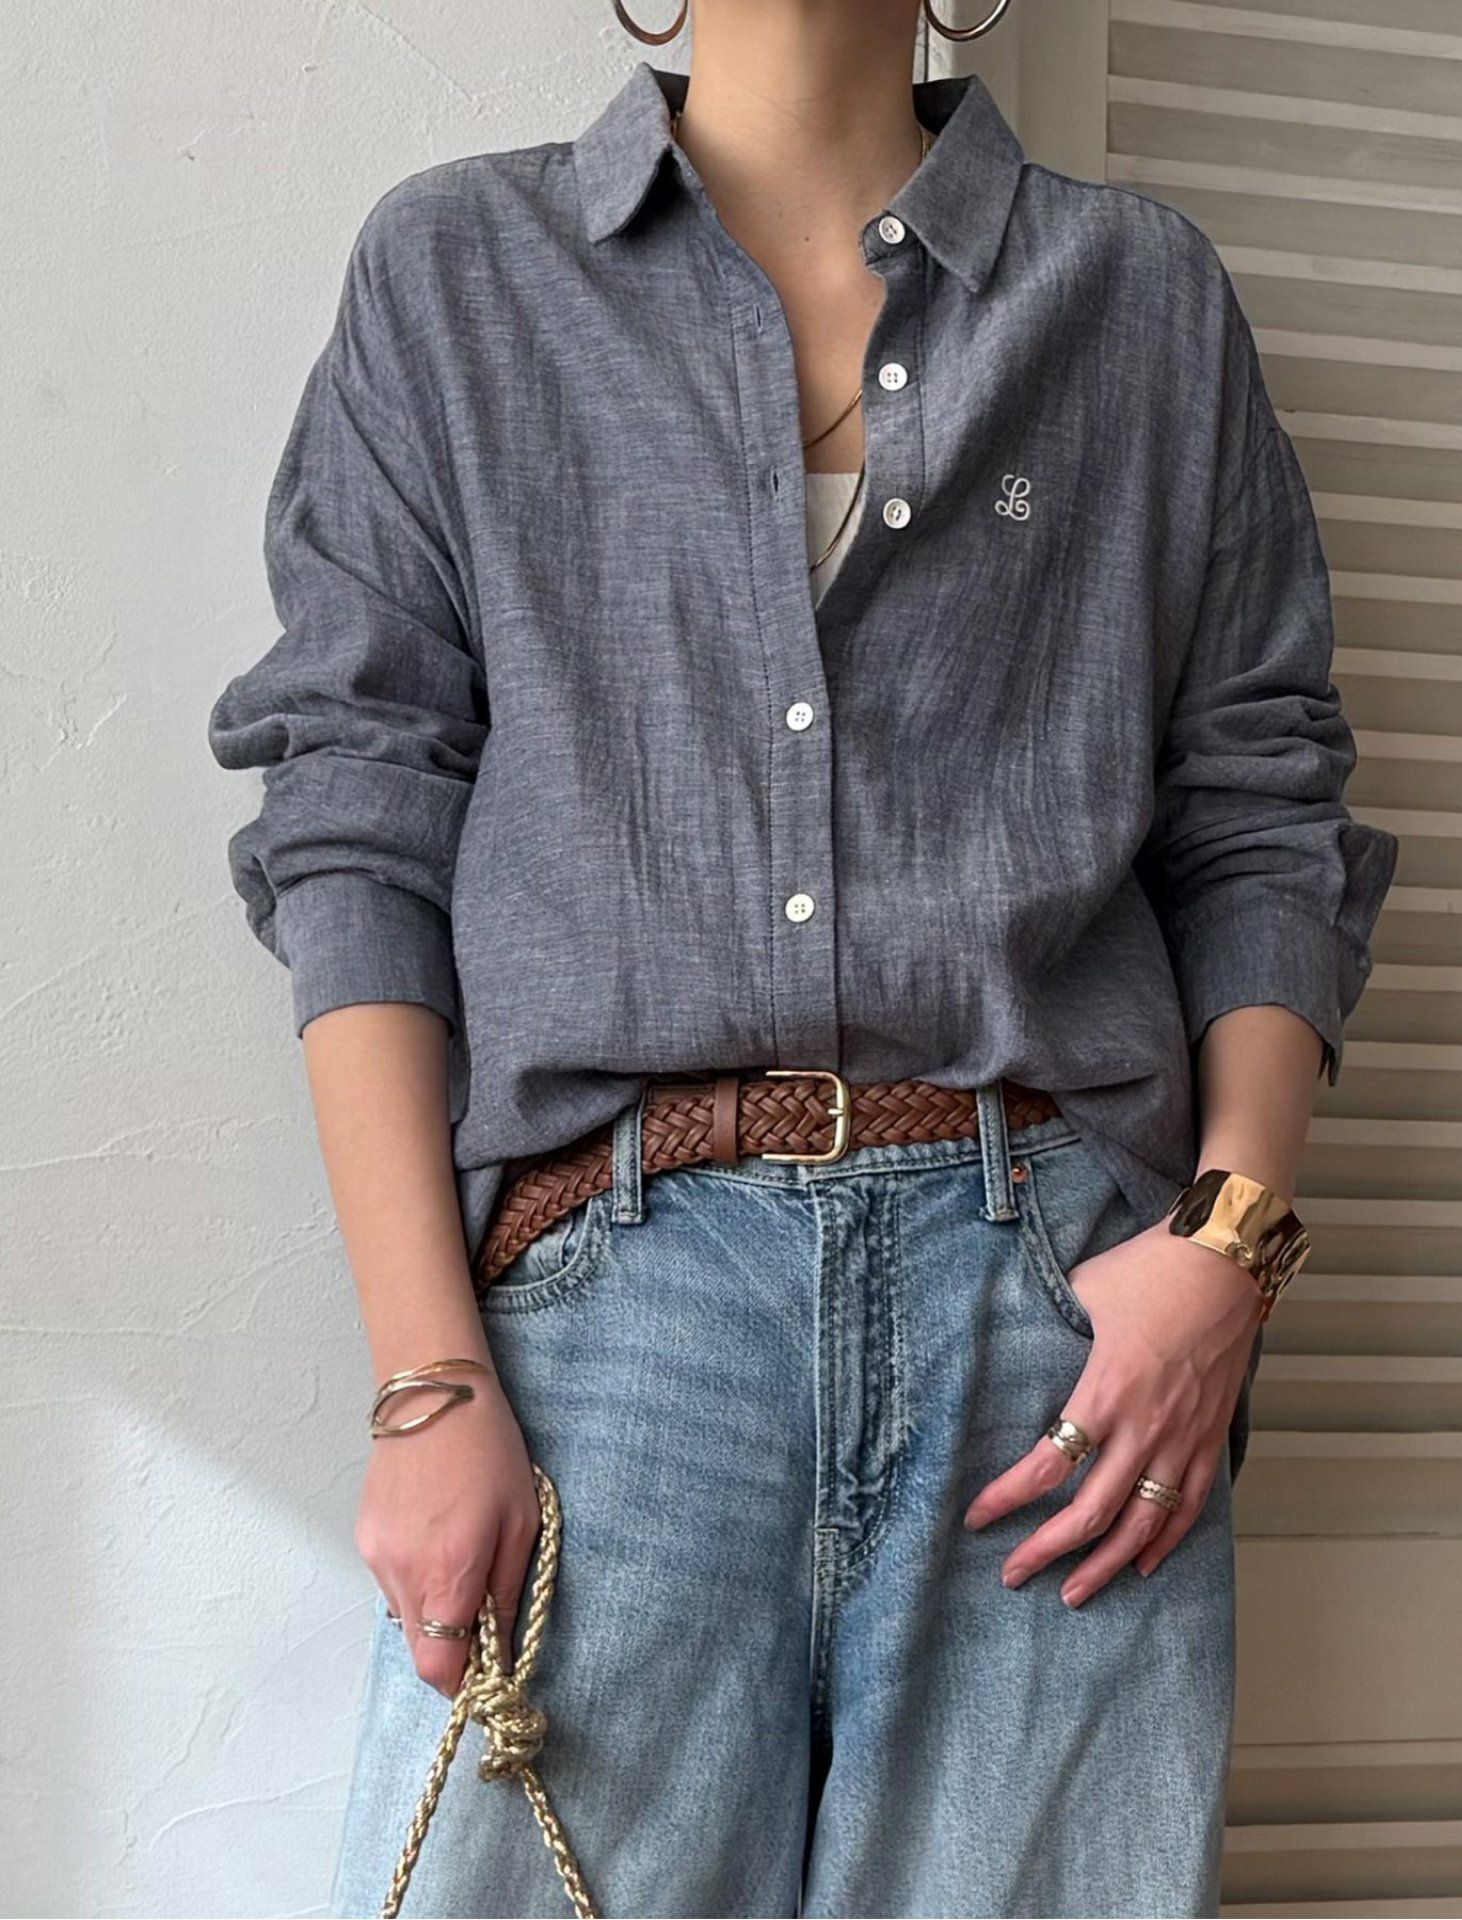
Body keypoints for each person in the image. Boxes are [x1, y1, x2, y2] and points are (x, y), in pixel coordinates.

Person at [206, 2, 1398, 1914]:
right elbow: (356, 824)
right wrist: (425, 1379)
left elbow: (1259, 810)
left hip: (1056, 1329)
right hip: (607, 1325)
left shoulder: (1139, 301)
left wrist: (1229, 1252)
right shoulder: (460, 273)